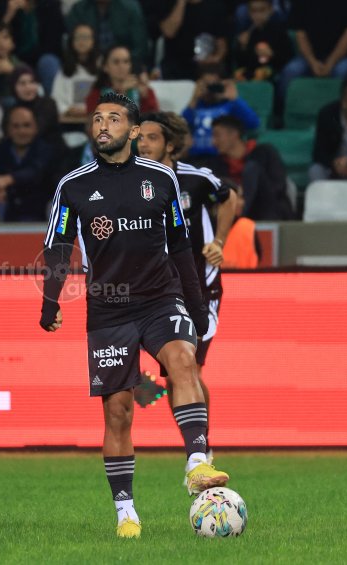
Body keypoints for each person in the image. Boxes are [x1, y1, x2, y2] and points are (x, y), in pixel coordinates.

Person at [40, 91, 229, 539]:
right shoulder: (73, 185)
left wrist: (196, 305)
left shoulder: (161, 179)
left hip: (161, 297)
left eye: (113, 118)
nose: (102, 125)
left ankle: (197, 462)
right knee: (119, 413)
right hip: (108, 307)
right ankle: (126, 511)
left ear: (133, 129)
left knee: (183, 361)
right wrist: (50, 301)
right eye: (97, 119)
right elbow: (58, 246)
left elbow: (180, 246)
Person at [137, 111, 236, 461]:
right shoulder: (132, 183)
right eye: (139, 137)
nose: (143, 144)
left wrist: (219, 241)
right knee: (174, 376)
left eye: (151, 137)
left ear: (170, 145)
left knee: (190, 369)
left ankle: (202, 453)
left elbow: (229, 197)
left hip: (201, 288)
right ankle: (197, 451)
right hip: (157, 291)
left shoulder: (195, 178)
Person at [206, 114, 293, 220]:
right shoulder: (216, 164)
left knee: (252, 169)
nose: (213, 142)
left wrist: (246, 196)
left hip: (269, 210)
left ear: (234, 134)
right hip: (233, 212)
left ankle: (243, 214)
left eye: (217, 135)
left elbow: (278, 186)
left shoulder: (265, 153)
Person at [0, 105, 57, 221]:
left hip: (39, 214)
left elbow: (36, 172)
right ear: (8, 129)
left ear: (36, 128)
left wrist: (7, 180)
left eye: (27, 125)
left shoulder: (48, 150)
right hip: (6, 210)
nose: (21, 131)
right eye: (16, 126)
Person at [278, 0, 347, 103]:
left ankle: (340, 110)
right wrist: (312, 62)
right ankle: (284, 110)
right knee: (291, 71)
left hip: (343, 57)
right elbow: (300, 33)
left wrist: (330, 63)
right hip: (309, 57)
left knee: (341, 71)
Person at [182, 64, 260, 159]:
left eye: (215, 85)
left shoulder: (231, 105)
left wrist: (235, 99)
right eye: (207, 85)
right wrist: (194, 98)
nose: (211, 90)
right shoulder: (197, 106)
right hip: (196, 156)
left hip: (222, 157)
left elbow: (253, 123)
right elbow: (182, 125)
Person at [147, 0, 230, 80]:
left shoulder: (215, 5)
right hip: (174, 68)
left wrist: (215, 59)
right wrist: (181, 2)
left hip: (204, 68)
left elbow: (221, 45)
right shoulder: (168, 3)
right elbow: (169, 32)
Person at [1, 0, 65, 95]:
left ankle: (50, 101)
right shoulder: (6, 6)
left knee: (48, 62)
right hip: (14, 58)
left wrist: (21, 67)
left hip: (42, 57)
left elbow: (53, 44)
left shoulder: (50, 6)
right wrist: (9, 15)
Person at [66, 0, 149, 71]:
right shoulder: (79, 10)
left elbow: (140, 47)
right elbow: (72, 45)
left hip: (124, 68)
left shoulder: (130, 8)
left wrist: (125, 65)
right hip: (89, 67)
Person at [84, 45, 159, 115]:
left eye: (126, 61)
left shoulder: (144, 91)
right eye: (116, 62)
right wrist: (121, 93)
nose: (121, 66)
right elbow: (94, 121)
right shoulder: (96, 93)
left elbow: (154, 119)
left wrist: (144, 97)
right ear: (105, 67)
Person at [234, 0, 294, 83]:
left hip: (273, 73)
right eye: (254, 11)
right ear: (249, 12)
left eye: (262, 10)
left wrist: (272, 54)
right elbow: (241, 63)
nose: (258, 15)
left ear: (271, 10)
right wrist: (243, 47)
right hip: (252, 74)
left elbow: (288, 57)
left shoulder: (279, 30)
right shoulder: (247, 33)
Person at [50, 23, 100, 119]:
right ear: (72, 42)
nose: (82, 41)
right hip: (70, 120)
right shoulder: (65, 71)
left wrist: (90, 109)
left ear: (93, 41)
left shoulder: (101, 68)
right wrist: (67, 110)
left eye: (85, 37)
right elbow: (56, 98)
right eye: (78, 37)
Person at [8, 65, 63, 148]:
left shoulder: (48, 104)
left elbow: (37, 131)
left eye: (32, 82)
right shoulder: (11, 110)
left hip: (50, 149)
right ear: (14, 87)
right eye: (22, 83)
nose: (28, 87)